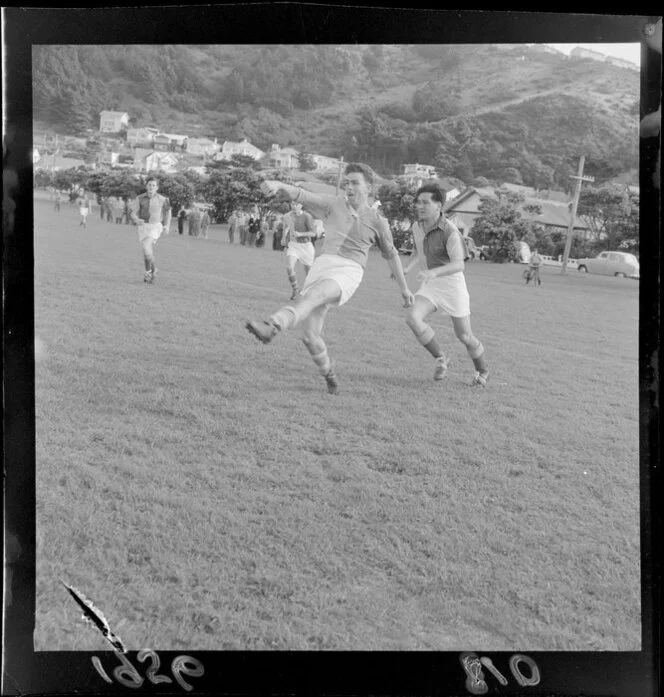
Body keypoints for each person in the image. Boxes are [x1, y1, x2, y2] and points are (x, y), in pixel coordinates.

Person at [246, 163, 413, 395]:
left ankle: (273, 326)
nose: (349, 187)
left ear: (369, 187)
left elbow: (392, 255)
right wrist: (279, 185)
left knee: (316, 295)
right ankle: (330, 376)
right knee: (310, 336)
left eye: (355, 182)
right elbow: (302, 194)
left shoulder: (377, 221)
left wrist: (405, 290)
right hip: (322, 265)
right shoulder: (333, 204)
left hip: (349, 269)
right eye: (347, 183)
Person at [402, 182, 490, 387]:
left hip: (452, 285)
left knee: (465, 336)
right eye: (418, 202)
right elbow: (418, 249)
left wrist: (433, 272)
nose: (419, 206)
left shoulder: (450, 231)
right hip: (431, 285)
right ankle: (442, 358)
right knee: (412, 317)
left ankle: (483, 370)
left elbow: (459, 264)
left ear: (439, 205)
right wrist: (407, 267)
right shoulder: (417, 226)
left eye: (425, 203)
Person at [130, 178, 171, 284]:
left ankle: (148, 272)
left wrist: (166, 226)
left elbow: (168, 212)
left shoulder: (162, 199)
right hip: (143, 226)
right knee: (146, 251)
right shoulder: (139, 198)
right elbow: (133, 213)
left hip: (155, 226)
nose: (151, 187)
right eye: (149, 185)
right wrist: (136, 219)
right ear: (146, 186)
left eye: (153, 185)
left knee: (146, 246)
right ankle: (153, 270)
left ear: (157, 187)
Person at [281, 200, 317, 299]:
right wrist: (283, 238)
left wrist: (301, 234)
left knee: (309, 274)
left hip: (306, 247)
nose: (294, 206)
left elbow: (313, 233)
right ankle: (295, 289)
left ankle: (309, 293)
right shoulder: (287, 216)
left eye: (296, 204)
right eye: (292, 204)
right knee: (289, 267)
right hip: (293, 245)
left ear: (301, 205)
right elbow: (286, 227)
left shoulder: (307, 216)